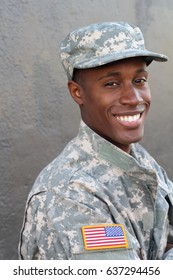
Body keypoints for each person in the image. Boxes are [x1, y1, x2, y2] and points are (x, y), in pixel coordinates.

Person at [18, 21, 173, 260]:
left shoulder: (140, 163)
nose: (133, 98)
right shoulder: (71, 194)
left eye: (140, 80)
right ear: (77, 92)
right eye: (111, 84)